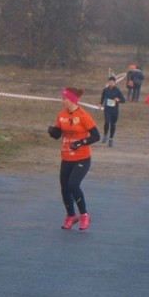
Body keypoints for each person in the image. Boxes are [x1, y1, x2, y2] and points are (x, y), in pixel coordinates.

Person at [47, 86, 100, 230]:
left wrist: (80, 142)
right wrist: (52, 131)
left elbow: (96, 136)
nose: (62, 101)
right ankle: (71, 216)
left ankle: (84, 215)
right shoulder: (62, 114)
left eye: (64, 98)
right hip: (66, 157)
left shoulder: (83, 115)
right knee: (64, 188)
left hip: (82, 158)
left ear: (72, 100)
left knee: (73, 185)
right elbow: (57, 134)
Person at [100, 74, 124, 146]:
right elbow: (103, 97)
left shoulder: (117, 91)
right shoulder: (105, 90)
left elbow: (123, 100)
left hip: (114, 110)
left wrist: (118, 100)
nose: (111, 83)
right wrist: (100, 103)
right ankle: (105, 135)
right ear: (108, 82)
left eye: (112, 82)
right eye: (110, 82)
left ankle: (111, 139)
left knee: (113, 124)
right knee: (107, 122)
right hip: (107, 109)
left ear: (115, 83)